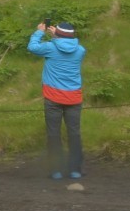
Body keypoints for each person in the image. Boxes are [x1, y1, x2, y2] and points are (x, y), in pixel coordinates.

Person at [28, 21, 87, 181]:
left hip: (53, 97)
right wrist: (57, 36)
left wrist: (40, 32)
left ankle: (56, 171)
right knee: (74, 134)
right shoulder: (81, 50)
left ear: (58, 34)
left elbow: (32, 48)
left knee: (53, 134)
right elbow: (65, 46)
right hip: (74, 98)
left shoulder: (49, 47)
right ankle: (75, 170)